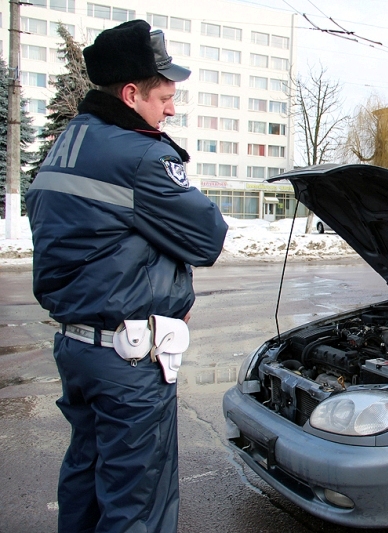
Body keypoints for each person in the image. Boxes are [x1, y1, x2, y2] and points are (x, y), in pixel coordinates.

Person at [26, 20, 228, 533]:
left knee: (87, 477)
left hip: (78, 348)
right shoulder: (141, 154)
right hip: (128, 360)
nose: (172, 109)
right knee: (139, 499)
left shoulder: (68, 142)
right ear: (132, 93)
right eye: (165, 96)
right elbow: (207, 238)